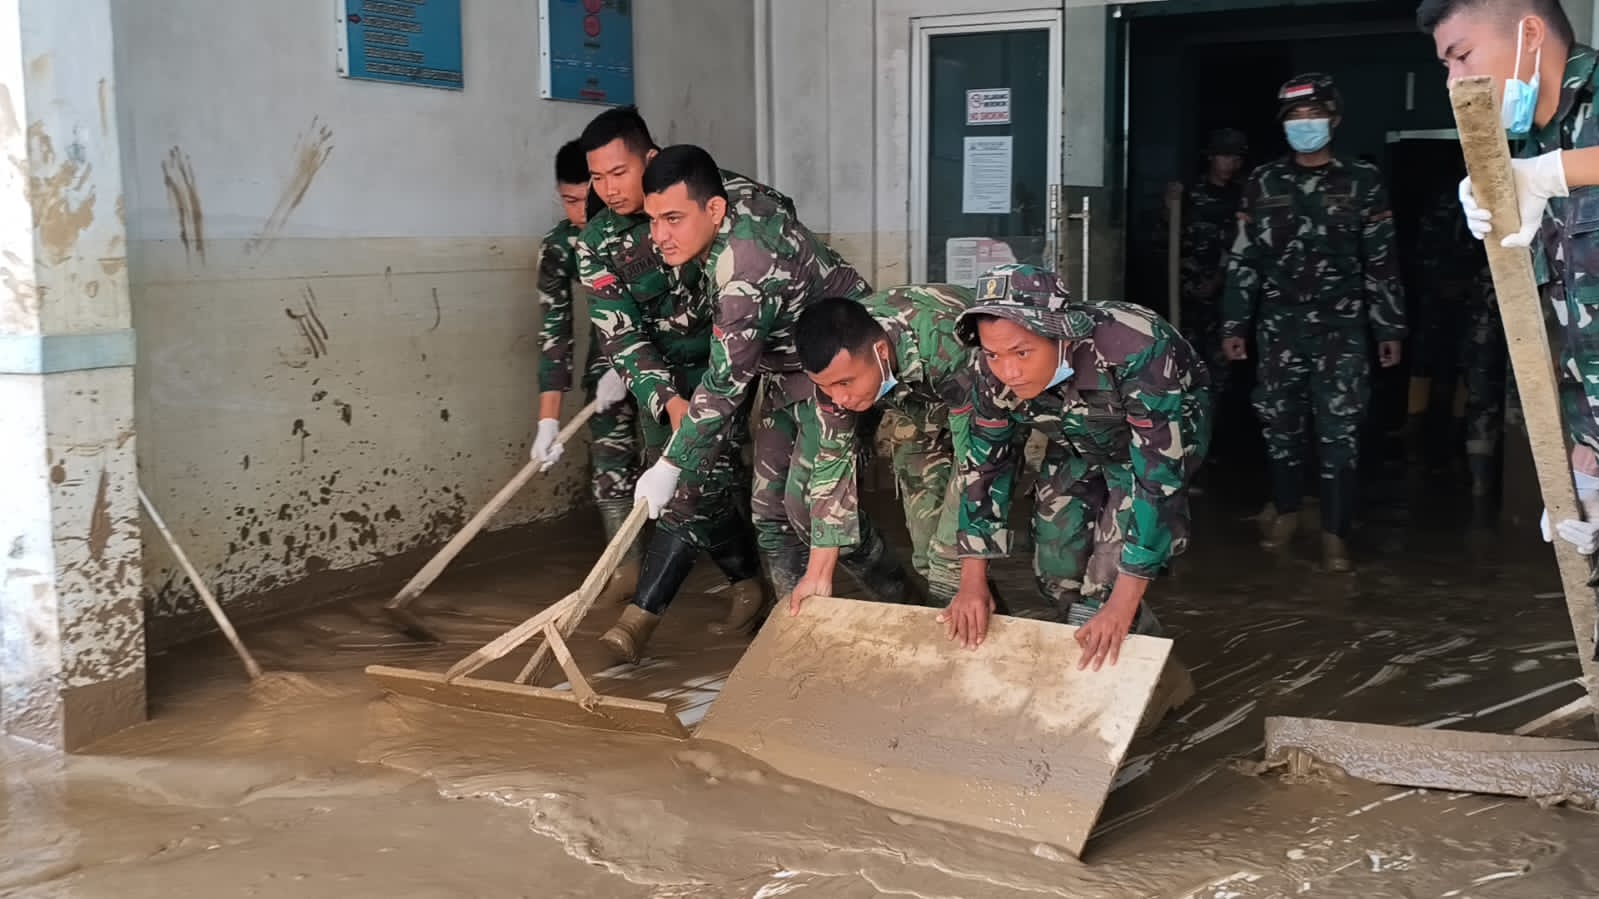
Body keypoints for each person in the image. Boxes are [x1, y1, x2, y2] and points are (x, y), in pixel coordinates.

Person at [611, 144, 911, 658]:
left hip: (836, 362)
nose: (659, 236)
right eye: (653, 218)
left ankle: (905, 606)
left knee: (809, 506)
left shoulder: (745, 272)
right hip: (782, 363)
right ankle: (793, 635)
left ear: (713, 210)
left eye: (673, 220)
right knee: (767, 509)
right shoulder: (731, 200)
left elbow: (725, 386)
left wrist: (671, 464)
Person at [948, 264, 1209, 705]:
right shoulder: (991, 364)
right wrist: (971, 581)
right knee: (1056, 575)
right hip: (1074, 441)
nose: (1007, 371)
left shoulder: (1136, 349)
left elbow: (1157, 479)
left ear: (1060, 335)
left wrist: (1120, 606)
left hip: (1153, 447)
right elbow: (985, 464)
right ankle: (1133, 661)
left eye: (1022, 353)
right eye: (994, 356)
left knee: (1104, 592)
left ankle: (1151, 691)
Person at [576, 108, 772, 659]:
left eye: (620, 172)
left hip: (730, 363)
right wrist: (665, 398)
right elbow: (623, 334)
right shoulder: (597, 243)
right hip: (662, 379)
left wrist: (705, 399)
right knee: (690, 484)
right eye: (597, 178)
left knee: (692, 481)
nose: (609, 189)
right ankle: (747, 584)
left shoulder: (711, 196)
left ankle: (640, 620)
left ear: (650, 160)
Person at [1422, 0, 1599, 554]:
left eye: (1462, 56)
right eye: (1446, 67)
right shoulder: (1530, 145)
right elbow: (1574, 331)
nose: (1455, 81)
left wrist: (1551, 175)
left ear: (1528, 33)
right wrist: (1586, 468)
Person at [1220, 73, 1407, 573]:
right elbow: (1244, 260)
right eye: (1296, 118)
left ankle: (1334, 533)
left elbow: (1381, 259)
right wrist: (1234, 325)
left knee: (1339, 431)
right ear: (1283, 126)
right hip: (1278, 326)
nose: (1306, 124)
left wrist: (1389, 328)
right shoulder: (1263, 182)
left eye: (1314, 115)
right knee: (1279, 423)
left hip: (1342, 330)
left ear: (1335, 120)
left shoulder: (1362, 181)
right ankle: (1285, 511)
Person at [787, 286, 976, 611]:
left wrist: (966, 568)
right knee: (928, 556)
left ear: (881, 352)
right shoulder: (834, 374)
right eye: (825, 387)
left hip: (982, 417)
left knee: (951, 563)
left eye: (845, 383)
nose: (839, 399)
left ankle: (984, 645)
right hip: (916, 411)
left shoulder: (947, 340)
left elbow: (977, 458)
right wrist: (817, 574)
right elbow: (833, 463)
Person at [530, 141, 640, 604]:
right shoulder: (559, 248)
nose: (578, 212)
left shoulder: (643, 229)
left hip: (671, 358)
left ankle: (732, 571)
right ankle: (627, 569)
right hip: (606, 367)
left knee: (693, 461)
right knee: (611, 461)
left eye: (585, 200)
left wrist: (633, 362)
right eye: (568, 200)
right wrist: (548, 421)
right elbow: (555, 335)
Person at [1175, 128, 1249, 399]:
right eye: (1225, 156)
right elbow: (1168, 246)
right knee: (1186, 370)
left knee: (1222, 374)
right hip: (1190, 298)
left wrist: (1219, 279)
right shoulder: (1189, 196)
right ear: (1212, 158)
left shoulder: (1243, 197)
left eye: (1236, 157)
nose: (1231, 163)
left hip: (1227, 299)